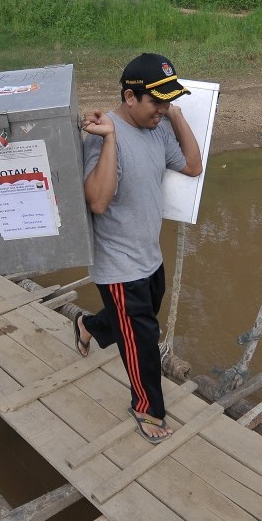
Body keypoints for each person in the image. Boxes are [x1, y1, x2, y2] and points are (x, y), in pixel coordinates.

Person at [75, 53, 203, 444]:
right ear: (130, 97)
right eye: (156, 103)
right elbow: (97, 201)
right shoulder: (101, 136)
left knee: (133, 324)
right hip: (118, 263)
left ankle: (87, 326)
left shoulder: (159, 128)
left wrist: (177, 118)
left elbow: (193, 167)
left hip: (150, 255)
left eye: (167, 103)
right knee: (144, 339)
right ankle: (146, 407)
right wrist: (111, 137)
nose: (162, 111)